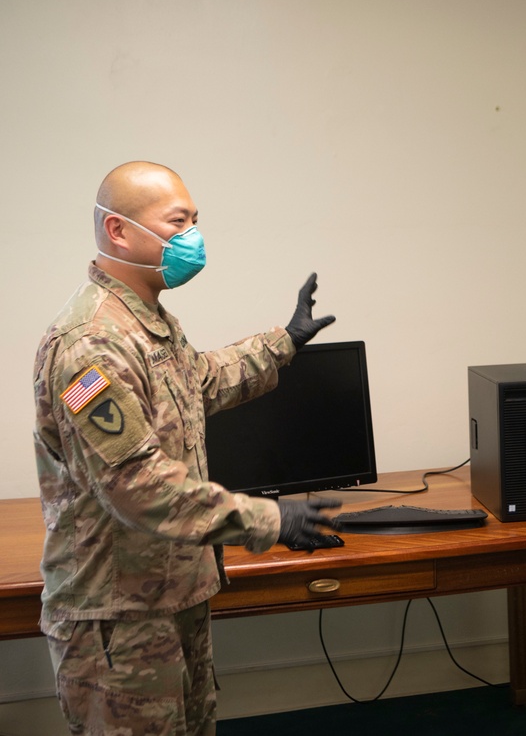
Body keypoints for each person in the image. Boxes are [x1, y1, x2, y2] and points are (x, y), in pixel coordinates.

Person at [33, 161, 343, 735]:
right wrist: (267, 519)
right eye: (177, 222)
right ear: (118, 230)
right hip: (117, 620)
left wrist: (284, 341)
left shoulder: (147, 321)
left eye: (195, 221)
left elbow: (197, 381)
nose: (192, 237)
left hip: (172, 594)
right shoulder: (91, 344)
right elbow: (137, 486)